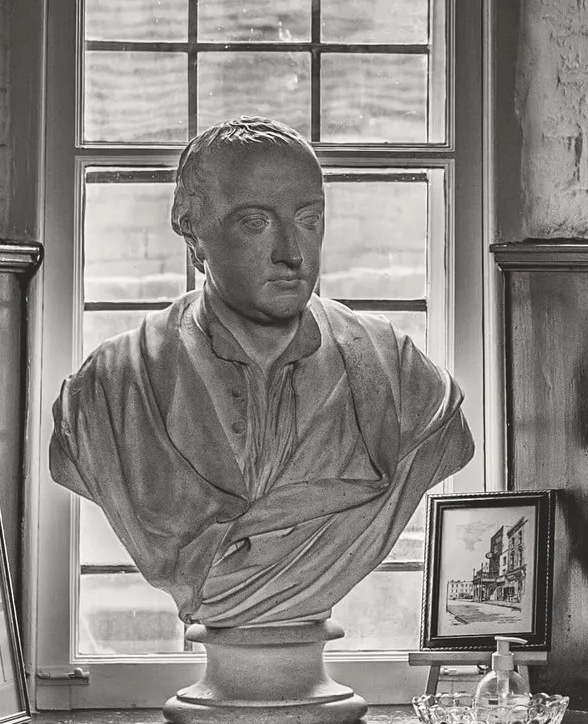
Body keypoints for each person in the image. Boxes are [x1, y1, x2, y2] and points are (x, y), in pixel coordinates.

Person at [48, 118, 472, 664]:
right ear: (194, 235)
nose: (292, 254)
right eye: (256, 224)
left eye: (309, 220)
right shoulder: (112, 389)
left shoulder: (399, 376)